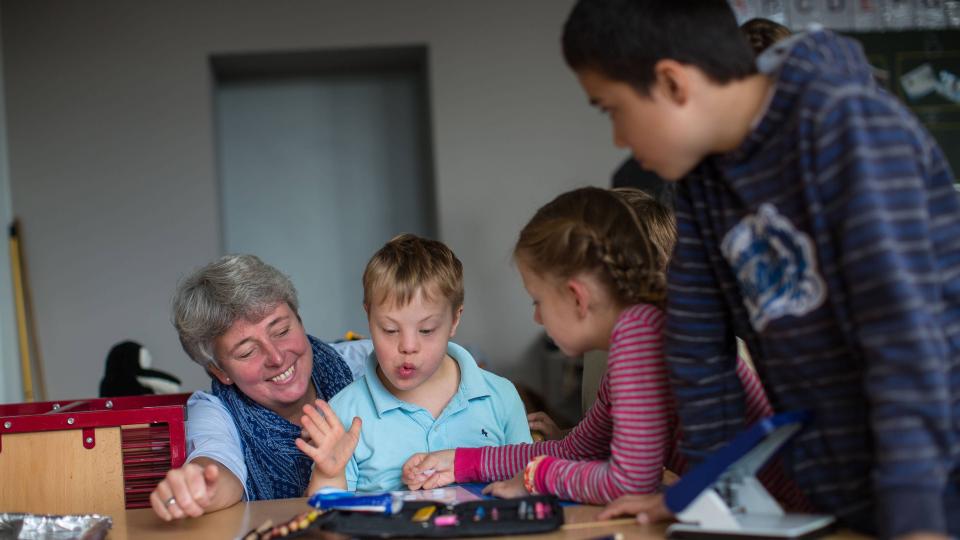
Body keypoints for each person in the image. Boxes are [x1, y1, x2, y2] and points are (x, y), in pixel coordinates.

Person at [561, 1, 960, 537]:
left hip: (935, 487)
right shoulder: (703, 182)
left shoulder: (845, 123)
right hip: (848, 491)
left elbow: (903, 336)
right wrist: (698, 492)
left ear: (673, 83)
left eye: (612, 109)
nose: (619, 140)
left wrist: (917, 519)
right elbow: (698, 349)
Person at [400, 188, 791, 506]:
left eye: (537, 300)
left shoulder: (643, 339)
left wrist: (537, 478)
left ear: (577, 298)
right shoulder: (642, 331)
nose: (537, 318)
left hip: (783, 517)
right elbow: (574, 449)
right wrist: (461, 462)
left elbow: (628, 483)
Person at [298, 234, 532, 492]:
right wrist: (328, 475)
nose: (408, 346)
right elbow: (326, 520)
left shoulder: (500, 397)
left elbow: (530, 486)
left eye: (426, 330)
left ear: (454, 320)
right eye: (389, 329)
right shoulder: (344, 413)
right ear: (368, 317)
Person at [149, 254, 373, 520]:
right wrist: (199, 484)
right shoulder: (214, 411)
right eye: (247, 352)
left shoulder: (371, 364)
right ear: (220, 371)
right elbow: (217, 464)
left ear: (300, 321)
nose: (276, 358)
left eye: (281, 331)